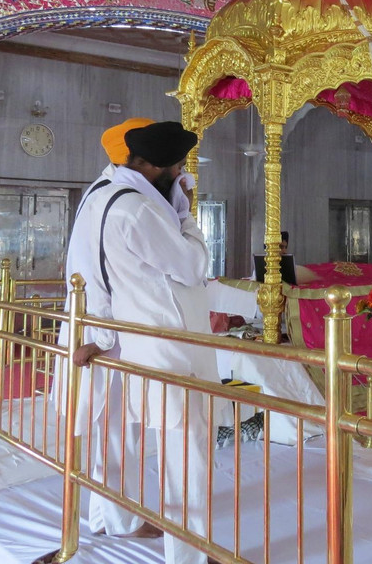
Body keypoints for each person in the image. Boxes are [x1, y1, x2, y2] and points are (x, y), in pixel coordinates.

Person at [70, 121, 214, 564]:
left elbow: (95, 273)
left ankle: (114, 517)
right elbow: (192, 266)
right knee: (186, 448)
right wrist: (186, 215)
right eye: (178, 166)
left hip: (129, 336)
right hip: (165, 344)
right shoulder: (137, 210)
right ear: (154, 166)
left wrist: (100, 334)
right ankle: (191, 553)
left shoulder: (107, 194)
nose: (182, 173)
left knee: (119, 431)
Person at [55, 117, 156, 538]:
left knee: (110, 427)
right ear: (141, 160)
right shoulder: (115, 199)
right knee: (117, 428)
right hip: (103, 332)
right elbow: (94, 275)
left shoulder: (102, 191)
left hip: (100, 327)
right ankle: (121, 520)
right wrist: (102, 338)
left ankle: (105, 515)